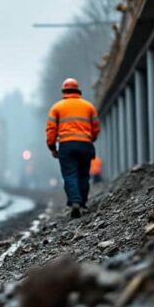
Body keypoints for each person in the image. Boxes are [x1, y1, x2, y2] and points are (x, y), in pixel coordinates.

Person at [46, 78, 100, 218]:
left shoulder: (57, 107)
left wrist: (52, 147)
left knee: (70, 175)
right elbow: (96, 128)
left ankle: (75, 201)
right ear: (78, 89)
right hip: (85, 145)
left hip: (66, 145)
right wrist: (90, 139)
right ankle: (82, 203)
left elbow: (51, 130)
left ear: (64, 91)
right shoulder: (89, 107)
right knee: (83, 175)